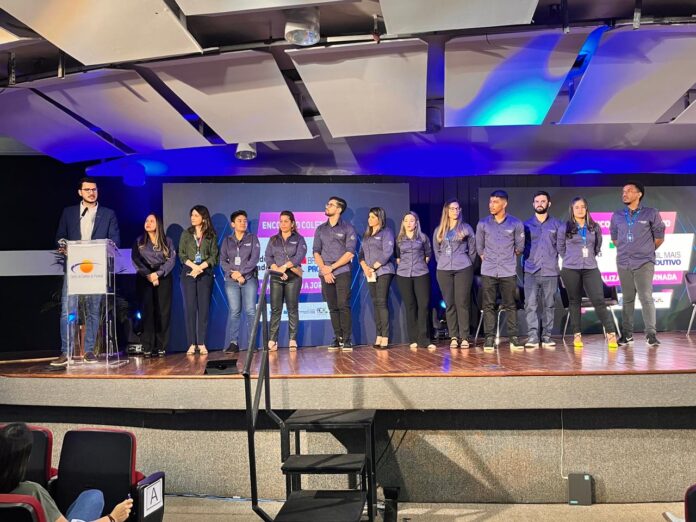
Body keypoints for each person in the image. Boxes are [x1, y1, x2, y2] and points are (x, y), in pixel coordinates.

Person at [0, 422, 133, 522]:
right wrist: (112, 518)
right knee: (94, 497)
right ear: (25, 460)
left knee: (93, 496)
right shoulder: (32, 492)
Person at [52, 177, 120, 367]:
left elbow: (115, 240)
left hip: (96, 268)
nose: (91, 193)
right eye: (87, 189)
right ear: (80, 192)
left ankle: (89, 351)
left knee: (93, 310)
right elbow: (60, 237)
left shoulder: (108, 214)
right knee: (68, 311)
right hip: (74, 267)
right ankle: (65, 352)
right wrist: (63, 245)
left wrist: (108, 246)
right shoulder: (69, 213)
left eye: (94, 189)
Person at [558, 197, 618, 349]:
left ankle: (611, 334)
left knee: (599, 300)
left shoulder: (594, 227)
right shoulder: (564, 227)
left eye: (582, 207)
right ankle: (577, 335)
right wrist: (572, 259)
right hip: (570, 268)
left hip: (591, 268)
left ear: (586, 209)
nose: (580, 210)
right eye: (576, 207)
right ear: (572, 210)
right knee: (574, 301)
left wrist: (588, 257)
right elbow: (560, 248)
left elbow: (597, 247)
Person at [610, 182, 665, 347]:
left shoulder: (651, 213)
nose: (624, 193)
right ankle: (627, 335)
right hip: (623, 262)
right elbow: (615, 239)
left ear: (639, 194)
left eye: (629, 191)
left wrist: (645, 251)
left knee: (646, 297)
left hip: (644, 262)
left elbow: (659, 237)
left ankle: (651, 335)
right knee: (627, 299)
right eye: (623, 191)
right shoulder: (617, 215)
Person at [476, 190, 525, 352]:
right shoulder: (483, 224)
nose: (491, 205)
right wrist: (489, 259)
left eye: (495, 202)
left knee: (510, 304)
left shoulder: (515, 223)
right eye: (490, 202)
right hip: (489, 270)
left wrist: (506, 258)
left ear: (504, 204)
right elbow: (480, 248)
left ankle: (513, 338)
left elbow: (519, 248)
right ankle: (489, 338)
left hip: (507, 270)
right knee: (488, 305)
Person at [313, 196, 357, 351]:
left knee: (343, 305)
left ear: (339, 209)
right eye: (327, 204)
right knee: (332, 306)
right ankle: (338, 337)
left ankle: (347, 339)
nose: (327, 206)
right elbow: (316, 252)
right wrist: (325, 269)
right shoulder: (320, 229)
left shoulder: (348, 228)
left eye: (331, 205)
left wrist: (332, 268)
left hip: (342, 271)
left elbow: (350, 253)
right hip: (325, 273)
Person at [433, 199, 477, 349]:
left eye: (457, 208)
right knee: (449, 303)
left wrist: (468, 263)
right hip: (444, 270)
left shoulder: (466, 228)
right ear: (447, 211)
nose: (455, 211)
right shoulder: (439, 230)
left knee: (462, 302)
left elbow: (472, 249)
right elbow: (437, 251)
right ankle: (453, 336)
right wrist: (443, 262)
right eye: (452, 209)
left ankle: (464, 337)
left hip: (463, 267)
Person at [131, 213, 176, 357]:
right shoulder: (139, 241)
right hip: (145, 278)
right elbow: (135, 259)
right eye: (146, 220)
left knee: (163, 311)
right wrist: (149, 275)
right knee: (147, 311)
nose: (148, 223)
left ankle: (161, 346)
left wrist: (159, 273)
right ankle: (148, 346)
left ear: (158, 224)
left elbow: (171, 260)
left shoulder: (167, 241)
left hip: (163, 277)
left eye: (152, 221)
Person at [522, 191, 562, 350]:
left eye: (543, 201)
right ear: (533, 204)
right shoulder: (525, 225)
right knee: (530, 305)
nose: (540, 204)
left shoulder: (557, 224)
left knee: (549, 305)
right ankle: (532, 336)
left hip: (550, 271)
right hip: (531, 271)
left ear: (548, 204)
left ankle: (546, 337)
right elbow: (520, 247)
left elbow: (562, 247)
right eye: (537, 201)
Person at [178, 205, 219, 355]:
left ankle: (201, 343)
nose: (193, 218)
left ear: (203, 217)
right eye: (192, 215)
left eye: (196, 215)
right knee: (190, 309)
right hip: (189, 272)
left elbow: (214, 257)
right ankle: (191, 343)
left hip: (205, 273)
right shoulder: (186, 234)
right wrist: (193, 267)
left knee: (203, 309)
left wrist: (200, 267)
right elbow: (182, 254)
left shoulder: (211, 235)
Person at [265, 211, 308, 351]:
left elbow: (299, 256)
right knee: (275, 309)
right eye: (281, 221)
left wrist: (284, 267)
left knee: (292, 308)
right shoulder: (273, 239)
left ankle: (292, 339)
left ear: (292, 223)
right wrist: (277, 270)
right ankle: (273, 340)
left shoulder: (299, 239)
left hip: (293, 277)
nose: (283, 224)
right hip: (276, 277)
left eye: (286, 221)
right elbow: (268, 257)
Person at [220, 210, 260, 354]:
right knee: (235, 311)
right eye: (239, 220)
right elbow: (223, 261)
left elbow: (254, 259)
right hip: (231, 280)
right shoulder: (227, 241)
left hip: (249, 279)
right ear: (233, 224)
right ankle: (233, 343)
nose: (243, 223)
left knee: (250, 310)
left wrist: (241, 273)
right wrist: (235, 274)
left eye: (245, 220)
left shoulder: (253, 238)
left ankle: (252, 343)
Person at [395, 211, 436, 351]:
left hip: (421, 273)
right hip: (403, 275)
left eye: (411, 220)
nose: (409, 223)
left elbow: (428, 255)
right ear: (403, 223)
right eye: (406, 220)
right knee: (410, 306)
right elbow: (398, 258)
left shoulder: (423, 238)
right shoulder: (399, 239)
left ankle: (424, 339)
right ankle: (413, 338)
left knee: (423, 305)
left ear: (416, 223)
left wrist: (419, 265)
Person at [359, 207, 395, 350]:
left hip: (383, 271)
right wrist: (365, 268)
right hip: (369, 273)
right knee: (375, 303)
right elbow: (361, 254)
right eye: (369, 217)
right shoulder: (367, 235)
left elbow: (387, 252)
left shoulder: (386, 232)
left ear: (380, 218)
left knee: (381, 302)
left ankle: (385, 336)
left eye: (373, 217)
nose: (370, 219)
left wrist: (373, 267)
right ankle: (379, 335)